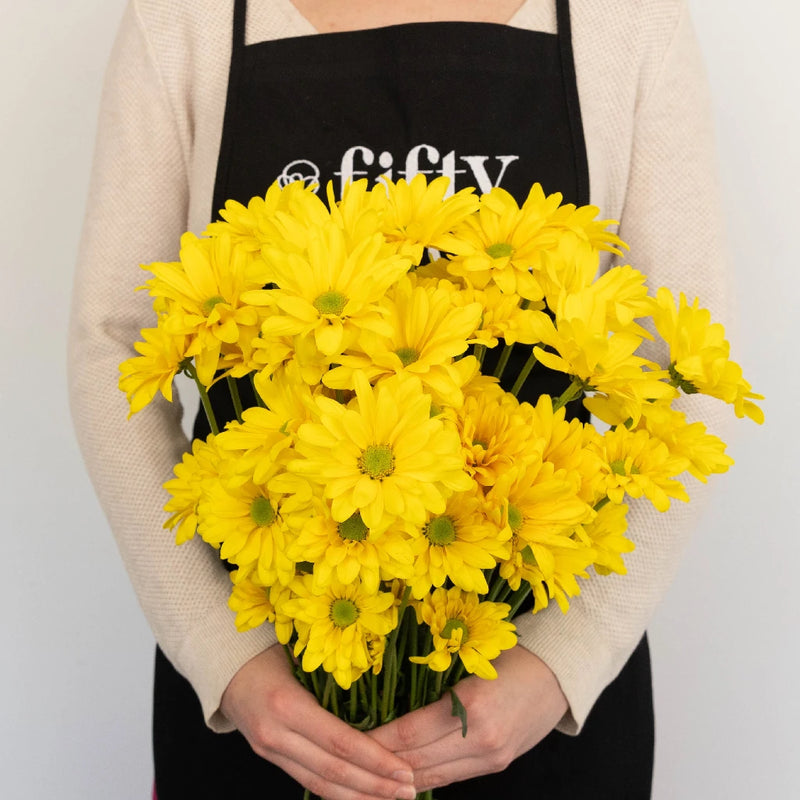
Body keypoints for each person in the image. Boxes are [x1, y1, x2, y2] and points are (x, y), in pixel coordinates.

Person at [68, 1, 730, 797]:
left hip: (539, 701)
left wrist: (567, 658)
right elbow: (112, 344)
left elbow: (689, 376)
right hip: (263, 702)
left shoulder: (629, 21)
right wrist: (223, 653)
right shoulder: (186, 18)